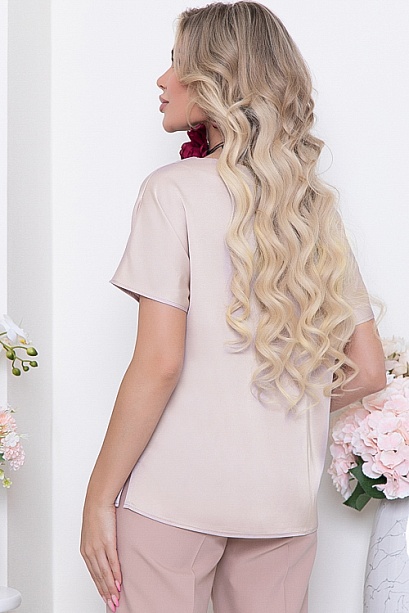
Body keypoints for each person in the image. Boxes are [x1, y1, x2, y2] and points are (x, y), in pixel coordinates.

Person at [80, 3, 386, 612]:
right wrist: (275, 397)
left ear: (215, 79)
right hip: (282, 505)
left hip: (172, 499)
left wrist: (97, 498)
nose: (162, 79)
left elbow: (159, 362)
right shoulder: (310, 208)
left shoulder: (172, 191)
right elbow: (369, 370)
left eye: (176, 63)